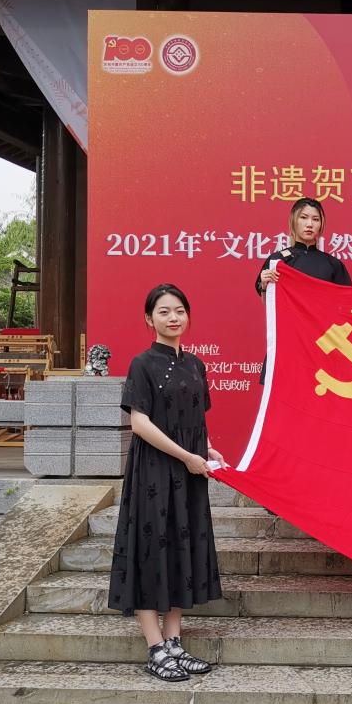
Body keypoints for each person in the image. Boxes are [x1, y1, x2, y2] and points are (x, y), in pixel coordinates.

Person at [108, 284, 226, 682]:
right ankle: (155, 647)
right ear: (149, 319)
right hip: (154, 473)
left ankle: (174, 641)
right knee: (150, 550)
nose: (173, 317)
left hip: (188, 475)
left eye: (179, 310)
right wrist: (186, 456)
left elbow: (196, 420)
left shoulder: (196, 364)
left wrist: (206, 450)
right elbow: (140, 424)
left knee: (181, 548)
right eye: (163, 311)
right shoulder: (142, 364)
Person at [255, 197, 352, 383]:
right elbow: (269, 307)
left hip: (321, 347)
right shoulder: (278, 261)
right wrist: (265, 285)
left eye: (315, 219)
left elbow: (346, 308)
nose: (309, 224)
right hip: (287, 344)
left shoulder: (332, 264)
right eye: (304, 217)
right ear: (294, 220)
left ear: (321, 224)